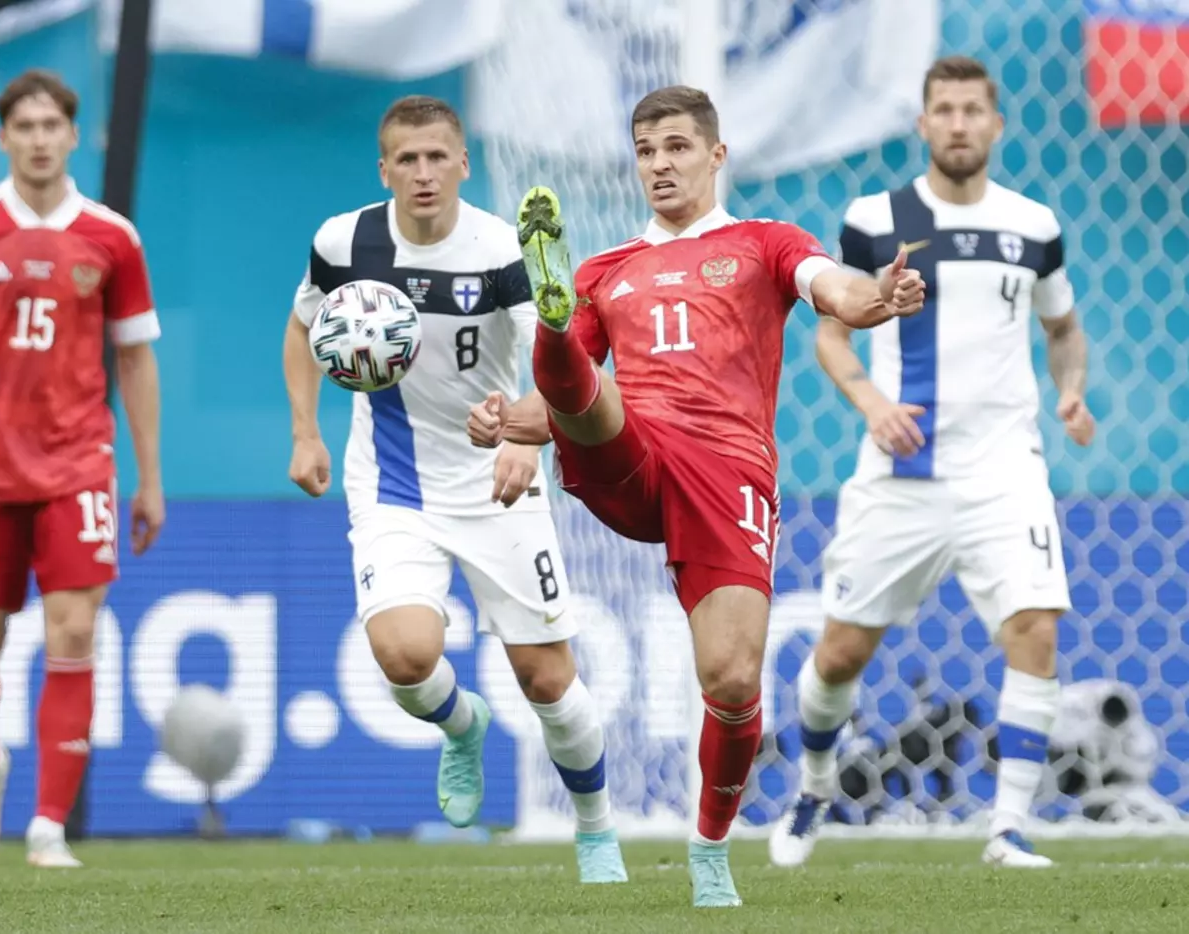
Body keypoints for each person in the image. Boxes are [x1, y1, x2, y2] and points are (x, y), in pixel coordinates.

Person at [467, 85, 924, 908]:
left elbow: (834, 290)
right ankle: (552, 320)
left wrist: (875, 298)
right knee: (587, 378)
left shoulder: (764, 243)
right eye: (645, 152)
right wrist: (510, 424)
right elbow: (566, 409)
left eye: (676, 147)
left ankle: (710, 849)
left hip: (727, 474)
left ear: (717, 155)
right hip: (634, 452)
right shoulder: (608, 270)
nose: (659, 165)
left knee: (733, 679)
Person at [281, 95, 627, 883]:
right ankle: (463, 726)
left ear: (464, 163)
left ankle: (596, 829)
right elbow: (303, 328)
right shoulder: (344, 243)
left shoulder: (501, 250)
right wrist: (304, 432)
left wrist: (524, 438)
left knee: (547, 680)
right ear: (384, 170)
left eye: (438, 156)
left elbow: (557, 368)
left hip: (495, 477)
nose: (424, 173)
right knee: (405, 657)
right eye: (407, 159)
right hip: (394, 480)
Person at [769, 55, 1092, 870]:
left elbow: (1062, 328)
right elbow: (832, 333)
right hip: (901, 476)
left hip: (1004, 469)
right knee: (840, 655)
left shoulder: (1034, 226)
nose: (957, 123)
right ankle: (813, 789)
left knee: (1035, 629)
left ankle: (1007, 830)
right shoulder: (875, 220)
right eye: (943, 109)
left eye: (972, 109)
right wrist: (870, 403)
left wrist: (1071, 392)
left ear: (996, 124)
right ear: (922, 124)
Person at [0, 69, 165, 868]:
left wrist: (149, 477)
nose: (40, 139)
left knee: (76, 630)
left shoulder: (112, 236)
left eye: (52, 125)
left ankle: (49, 826)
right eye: (25, 127)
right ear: (3, 138)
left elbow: (135, 358)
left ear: (74, 135)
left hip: (77, 463)